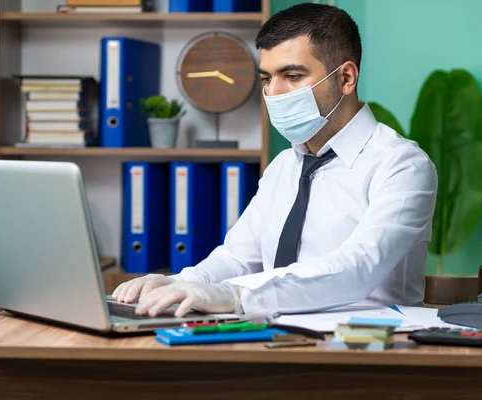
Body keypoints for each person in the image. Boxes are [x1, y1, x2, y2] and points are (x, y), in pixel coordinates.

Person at [112, 3, 438, 318]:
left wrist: (238, 296)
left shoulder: (402, 165)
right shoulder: (283, 166)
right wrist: (179, 283)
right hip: (271, 340)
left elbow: (358, 268)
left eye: (292, 76)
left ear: (346, 78)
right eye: (267, 78)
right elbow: (237, 258)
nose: (275, 93)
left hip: (366, 352)